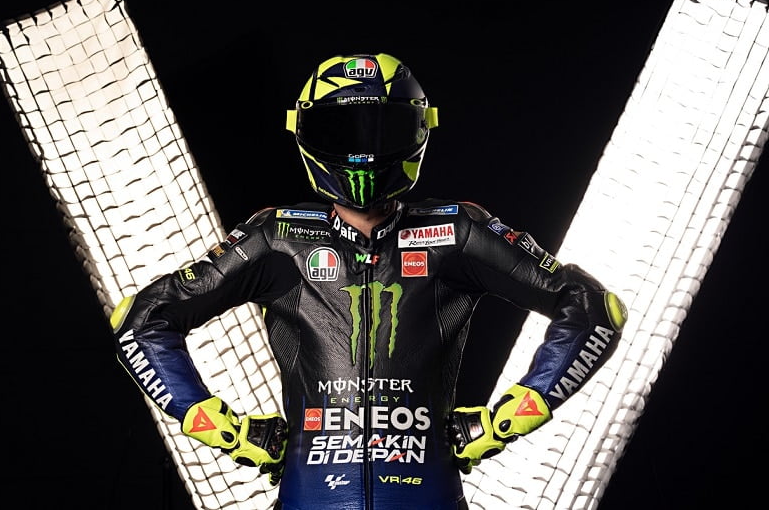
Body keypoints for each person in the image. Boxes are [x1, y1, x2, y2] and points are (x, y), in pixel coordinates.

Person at [110, 52, 628, 510]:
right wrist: (221, 427)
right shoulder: (278, 237)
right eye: (343, 132)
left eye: (382, 130)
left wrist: (514, 415)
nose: (364, 152)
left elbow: (592, 309)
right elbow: (142, 322)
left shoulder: (456, 231)